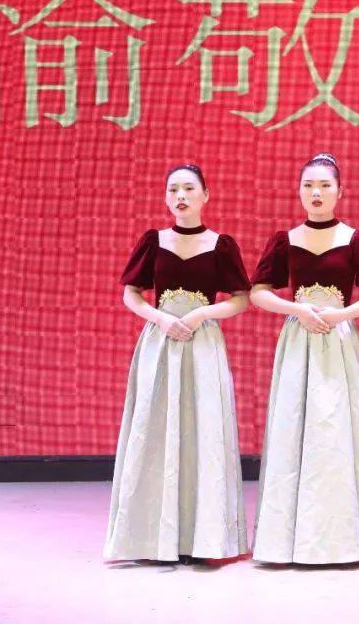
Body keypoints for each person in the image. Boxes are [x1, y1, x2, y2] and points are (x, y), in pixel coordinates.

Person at [250, 153, 359, 565]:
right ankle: (287, 542)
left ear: (339, 191)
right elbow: (258, 292)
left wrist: (341, 316)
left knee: (337, 428)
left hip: (338, 339)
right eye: (309, 185)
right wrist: (296, 310)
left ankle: (345, 540)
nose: (316, 192)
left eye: (325, 185)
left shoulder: (355, 239)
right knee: (294, 426)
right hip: (299, 340)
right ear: (299, 191)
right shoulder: (285, 240)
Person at [105, 164, 249, 565]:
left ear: (206, 195)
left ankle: (203, 539)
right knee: (155, 428)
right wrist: (161, 318)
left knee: (204, 431)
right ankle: (151, 538)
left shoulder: (221, 244)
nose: (180, 196)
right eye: (173, 190)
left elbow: (240, 299)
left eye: (188, 189)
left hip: (203, 345)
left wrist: (203, 314)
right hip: (161, 343)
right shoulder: (154, 241)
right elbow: (132, 294)